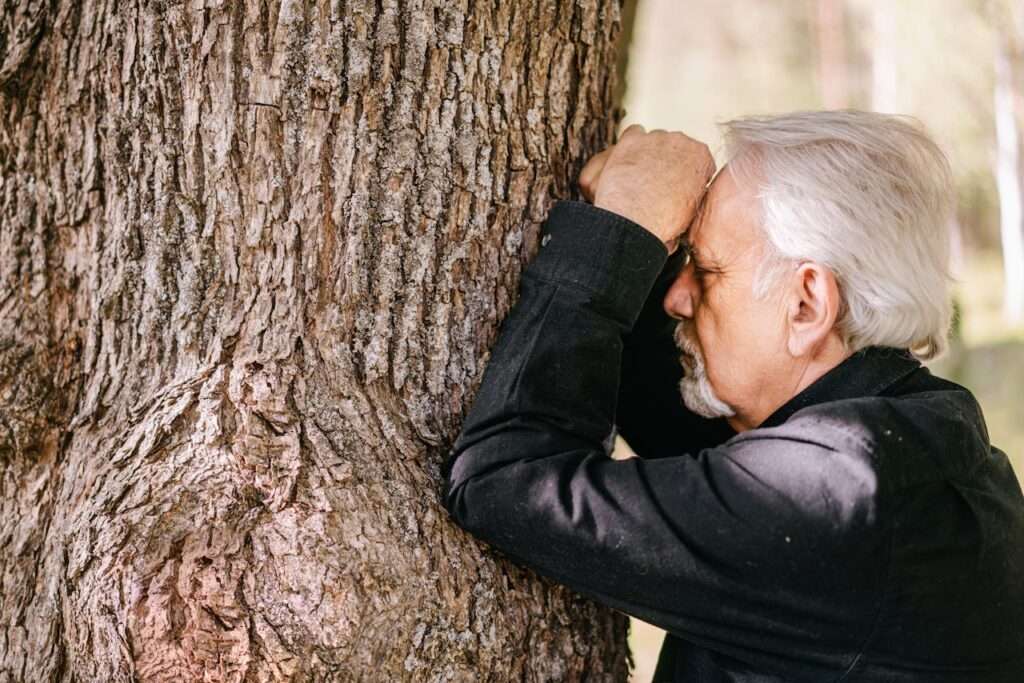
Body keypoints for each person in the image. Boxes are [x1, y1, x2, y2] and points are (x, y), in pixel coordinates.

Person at [440, 110, 1024, 682]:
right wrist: (646, 229)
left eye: (706, 269)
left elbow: (502, 481)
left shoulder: (837, 496)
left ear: (806, 306)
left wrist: (618, 231)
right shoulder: (921, 435)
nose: (677, 298)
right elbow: (669, 424)